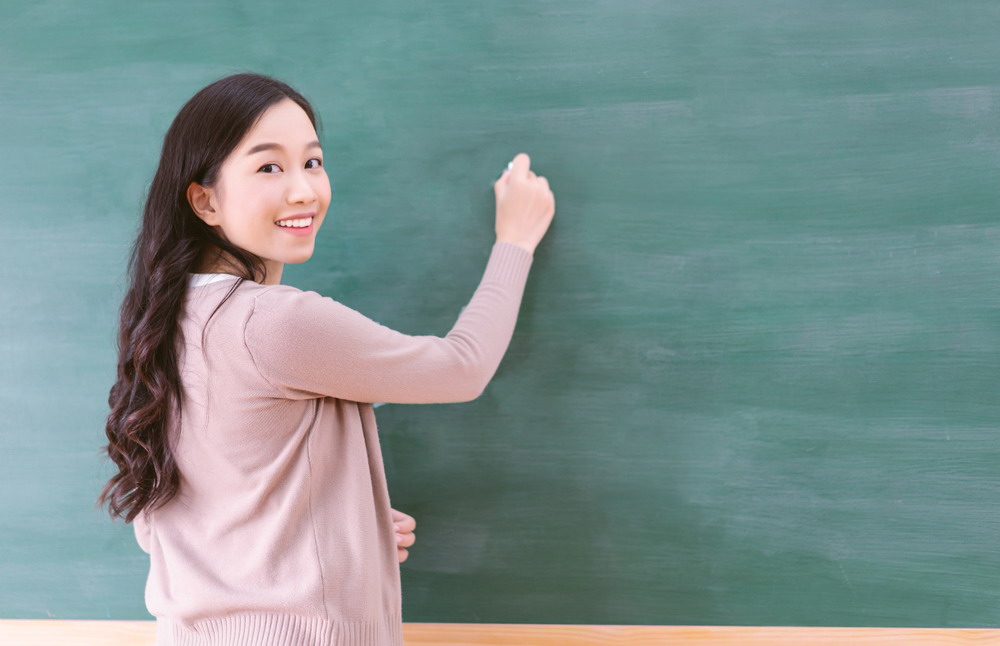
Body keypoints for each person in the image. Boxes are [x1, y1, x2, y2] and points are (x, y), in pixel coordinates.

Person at [96, 72, 555, 646]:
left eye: (312, 162)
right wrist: (515, 241)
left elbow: (173, 517)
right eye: (269, 167)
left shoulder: (162, 322)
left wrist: (341, 529)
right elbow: (462, 367)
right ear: (205, 200)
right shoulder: (276, 322)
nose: (304, 191)